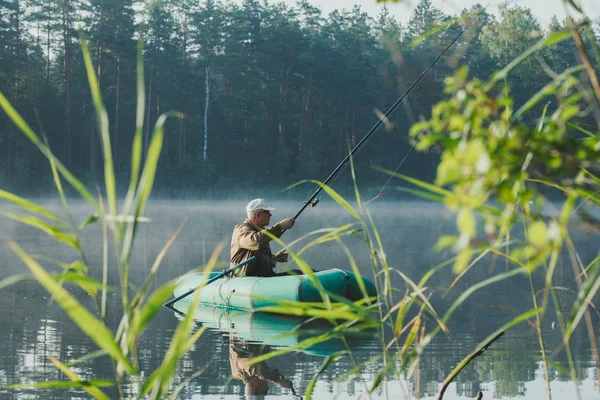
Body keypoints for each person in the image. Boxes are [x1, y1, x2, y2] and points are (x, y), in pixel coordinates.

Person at [230, 198, 296, 277]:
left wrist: (273, 258)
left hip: (262, 278)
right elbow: (254, 241)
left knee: (297, 273)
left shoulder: (259, 231)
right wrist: (279, 226)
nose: (270, 215)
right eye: (267, 212)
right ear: (257, 215)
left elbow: (255, 258)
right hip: (244, 280)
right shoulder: (241, 229)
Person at [229, 337, 294, 396]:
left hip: (247, 335)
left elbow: (254, 367)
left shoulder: (239, 373)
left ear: (255, 387)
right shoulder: (245, 374)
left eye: (264, 391)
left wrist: (278, 381)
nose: (268, 388)